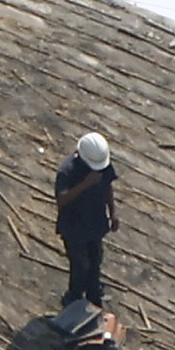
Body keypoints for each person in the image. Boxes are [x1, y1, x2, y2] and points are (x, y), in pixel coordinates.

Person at [53, 130, 118, 309]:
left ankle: (93, 292)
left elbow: (108, 187)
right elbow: (62, 200)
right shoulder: (67, 172)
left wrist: (113, 212)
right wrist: (85, 184)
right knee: (80, 264)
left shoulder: (103, 167)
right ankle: (74, 295)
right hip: (74, 227)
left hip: (95, 222)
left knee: (96, 258)